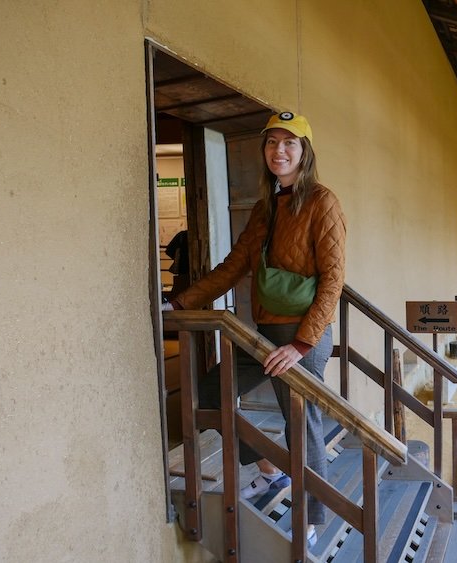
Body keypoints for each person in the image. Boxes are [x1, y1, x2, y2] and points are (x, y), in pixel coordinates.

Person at [166, 112, 345, 544]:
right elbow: (234, 266)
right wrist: (179, 302)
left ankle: (312, 519)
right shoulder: (266, 208)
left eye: (289, 142)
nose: (279, 150)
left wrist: (303, 345)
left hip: (303, 337)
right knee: (210, 393)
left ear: (305, 151)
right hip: (265, 334)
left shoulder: (322, 202)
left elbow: (333, 278)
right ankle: (269, 471)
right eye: (272, 143)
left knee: (301, 424)